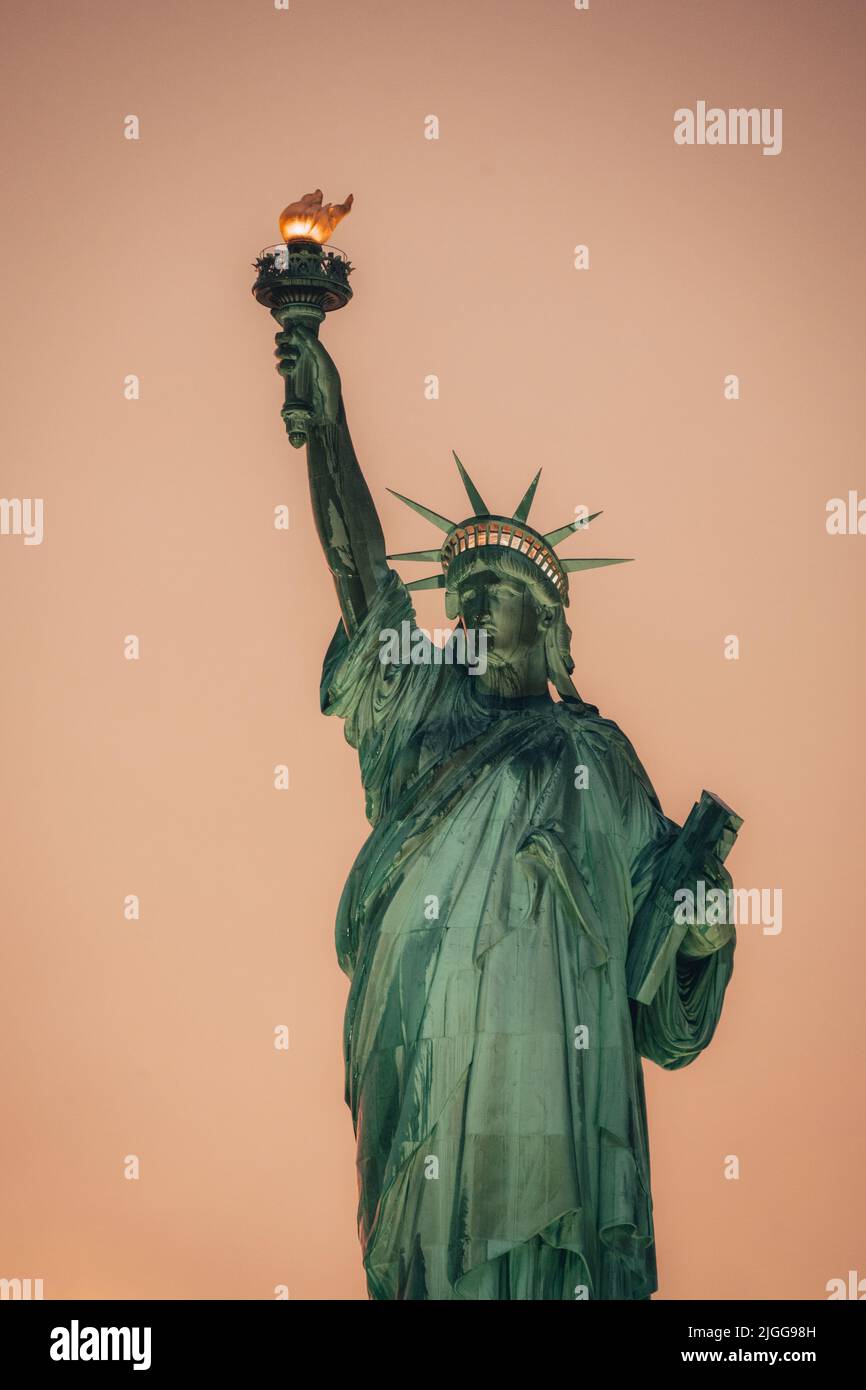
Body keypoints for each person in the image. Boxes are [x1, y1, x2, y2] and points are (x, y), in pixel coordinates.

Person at [277, 325, 738, 1301]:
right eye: (464, 595)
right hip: (428, 1064)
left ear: (553, 630)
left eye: (501, 595)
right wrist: (329, 423)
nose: (478, 611)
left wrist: (699, 920)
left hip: (561, 1094)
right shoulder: (424, 717)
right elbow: (364, 585)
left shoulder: (599, 762)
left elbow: (662, 1005)